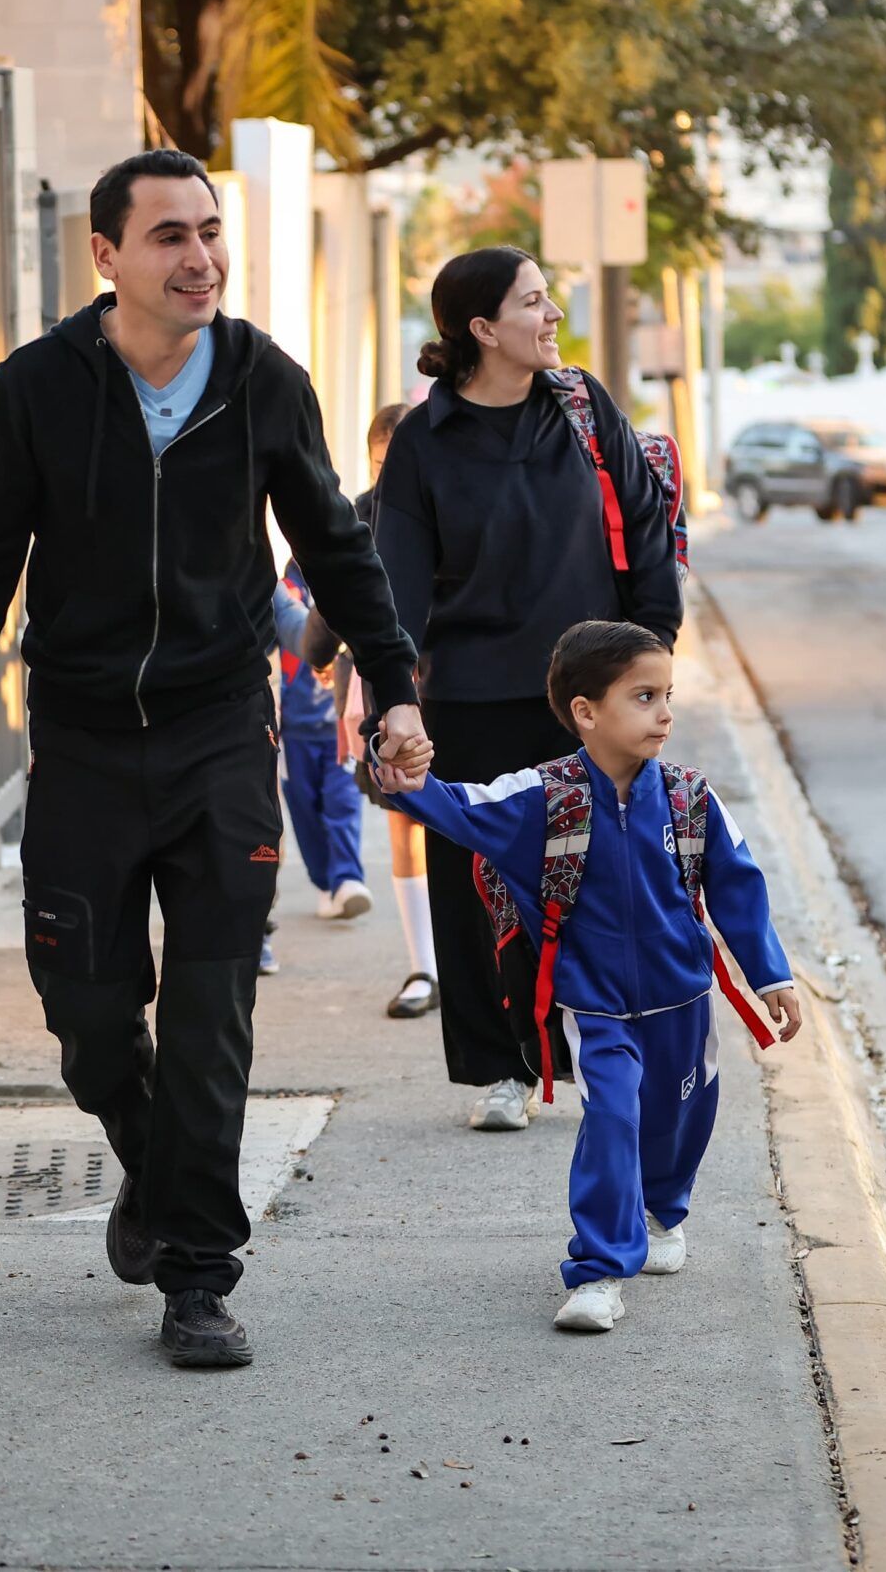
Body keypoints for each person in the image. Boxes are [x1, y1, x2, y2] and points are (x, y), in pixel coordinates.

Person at [0, 149, 430, 1368]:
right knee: (87, 1012)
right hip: (82, 739)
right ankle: (156, 1168)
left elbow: (337, 547)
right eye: (169, 238)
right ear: (106, 256)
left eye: (209, 234)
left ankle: (197, 1272)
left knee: (209, 1007)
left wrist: (393, 684)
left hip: (217, 735)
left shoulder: (260, 379)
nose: (200, 259)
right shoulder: (34, 387)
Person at [373, 621, 802, 1332]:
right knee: (613, 1116)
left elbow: (739, 891)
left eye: (668, 694)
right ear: (585, 711)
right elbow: (457, 806)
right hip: (594, 1006)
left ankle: (664, 1210)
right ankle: (599, 1268)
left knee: (681, 1121)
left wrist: (771, 974)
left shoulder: (693, 800)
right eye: (643, 696)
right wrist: (399, 775)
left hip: (685, 1004)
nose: (665, 712)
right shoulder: (544, 798)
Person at [372, 247, 680, 1131]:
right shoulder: (425, 442)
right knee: (476, 886)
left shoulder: (582, 408)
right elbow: (397, 581)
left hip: (589, 698)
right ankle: (497, 1067)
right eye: (535, 303)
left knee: (602, 881)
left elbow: (647, 521)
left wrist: (650, 655)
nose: (552, 317)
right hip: (468, 696)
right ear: (482, 329)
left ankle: (594, 1052)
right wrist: (397, 697)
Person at [305, 402, 440, 1018]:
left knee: (464, 827)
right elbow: (329, 611)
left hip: (451, 687)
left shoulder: (431, 504)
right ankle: (424, 967)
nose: (389, 480)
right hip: (386, 694)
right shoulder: (363, 512)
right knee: (405, 823)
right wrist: (333, 688)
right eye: (382, 465)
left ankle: (463, 965)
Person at [272, 566, 371, 923]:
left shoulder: (342, 578)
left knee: (341, 801)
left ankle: (347, 879)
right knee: (305, 810)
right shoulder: (285, 592)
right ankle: (325, 884)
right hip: (292, 729)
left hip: (337, 723)